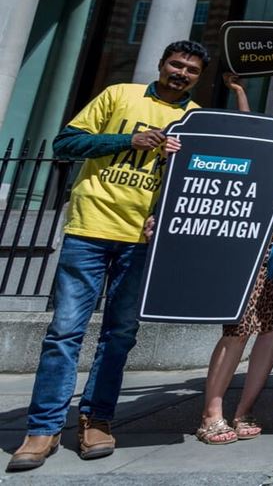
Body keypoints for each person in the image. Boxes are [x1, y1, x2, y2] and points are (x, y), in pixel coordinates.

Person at [7, 40, 208, 473]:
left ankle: (96, 420)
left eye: (191, 69)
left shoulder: (193, 121)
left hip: (141, 239)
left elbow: (194, 184)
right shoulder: (119, 94)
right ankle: (42, 428)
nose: (181, 73)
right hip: (89, 230)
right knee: (64, 332)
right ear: (161, 64)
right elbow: (66, 144)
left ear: (198, 77)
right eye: (176, 64)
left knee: (119, 335)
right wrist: (129, 139)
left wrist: (162, 215)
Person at [190, 68, 273, 445]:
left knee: (272, 326)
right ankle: (211, 413)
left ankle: (244, 409)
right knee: (237, 325)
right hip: (245, 231)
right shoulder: (258, 126)